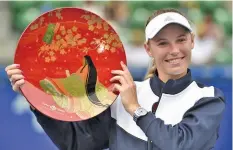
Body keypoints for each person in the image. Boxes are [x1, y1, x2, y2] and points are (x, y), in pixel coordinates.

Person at [5, 8, 225, 150]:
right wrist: (35, 97)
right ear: (148, 49)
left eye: (181, 40)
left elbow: (181, 145)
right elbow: (78, 144)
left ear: (192, 42)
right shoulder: (121, 95)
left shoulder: (208, 98)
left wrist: (135, 109)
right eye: (163, 43)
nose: (174, 50)